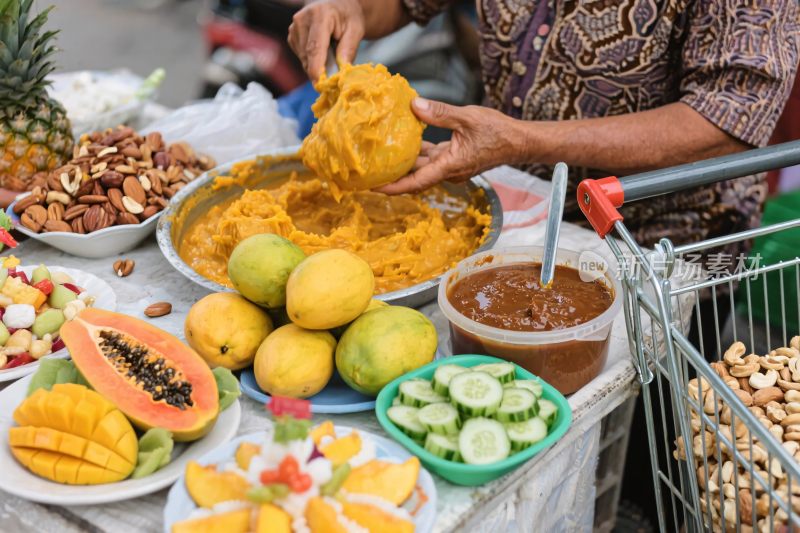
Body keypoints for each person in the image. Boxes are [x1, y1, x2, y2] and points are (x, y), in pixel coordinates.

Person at [287, 0, 799, 523]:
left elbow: (728, 117)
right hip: (518, 198)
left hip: (661, 244)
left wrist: (523, 138)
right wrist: (350, 11)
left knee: (655, 460)